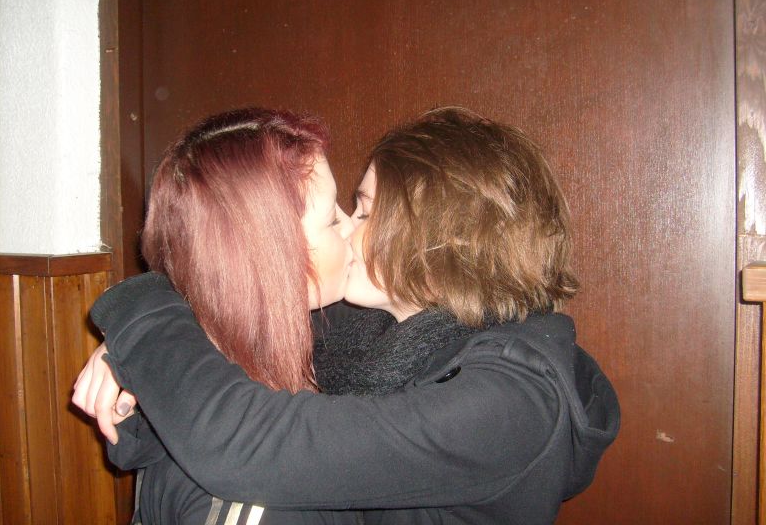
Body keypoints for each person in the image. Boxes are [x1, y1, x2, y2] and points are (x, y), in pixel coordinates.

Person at [74, 107, 620, 525]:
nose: (346, 228)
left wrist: (142, 308)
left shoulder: (509, 403)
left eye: (365, 211)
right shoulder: (368, 335)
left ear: (445, 237)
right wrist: (138, 354)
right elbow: (214, 360)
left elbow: (244, 445)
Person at [86, 107, 356, 524]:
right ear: (270, 258)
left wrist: (135, 335)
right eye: (332, 219)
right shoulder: (251, 495)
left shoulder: (310, 341)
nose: (352, 226)